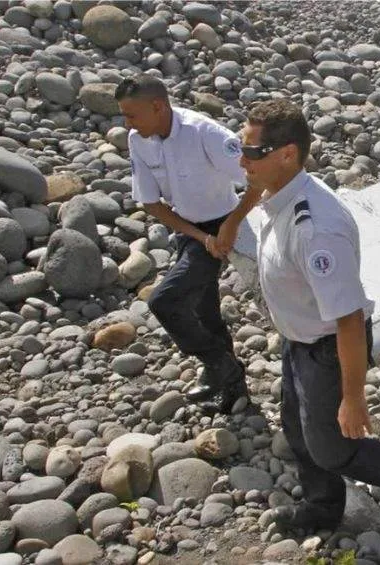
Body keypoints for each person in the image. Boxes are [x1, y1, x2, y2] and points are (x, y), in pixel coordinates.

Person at [230, 99, 380, 532]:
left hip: (326, 347)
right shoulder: (279, 189)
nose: (241, 160)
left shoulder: (316, 229)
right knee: (297, 429)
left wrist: (354, 397)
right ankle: (323, 509)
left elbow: (347, 320)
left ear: (286, 154)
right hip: (298, 338)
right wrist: (234, 220)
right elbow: (256, 186)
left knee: (332, 449)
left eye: (250, 152)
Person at [116, 74, 257, 413]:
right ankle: (234, 389)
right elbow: (151, 203)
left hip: (226, 221)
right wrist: (199, 237)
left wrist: (230, 226)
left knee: (164, 301)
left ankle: (220, 365)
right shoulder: (139, 139)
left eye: (132, 115)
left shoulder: (202, 132)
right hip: (191, 230)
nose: (127, 123)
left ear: (157, 106)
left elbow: (257, 178)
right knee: (203, 311)